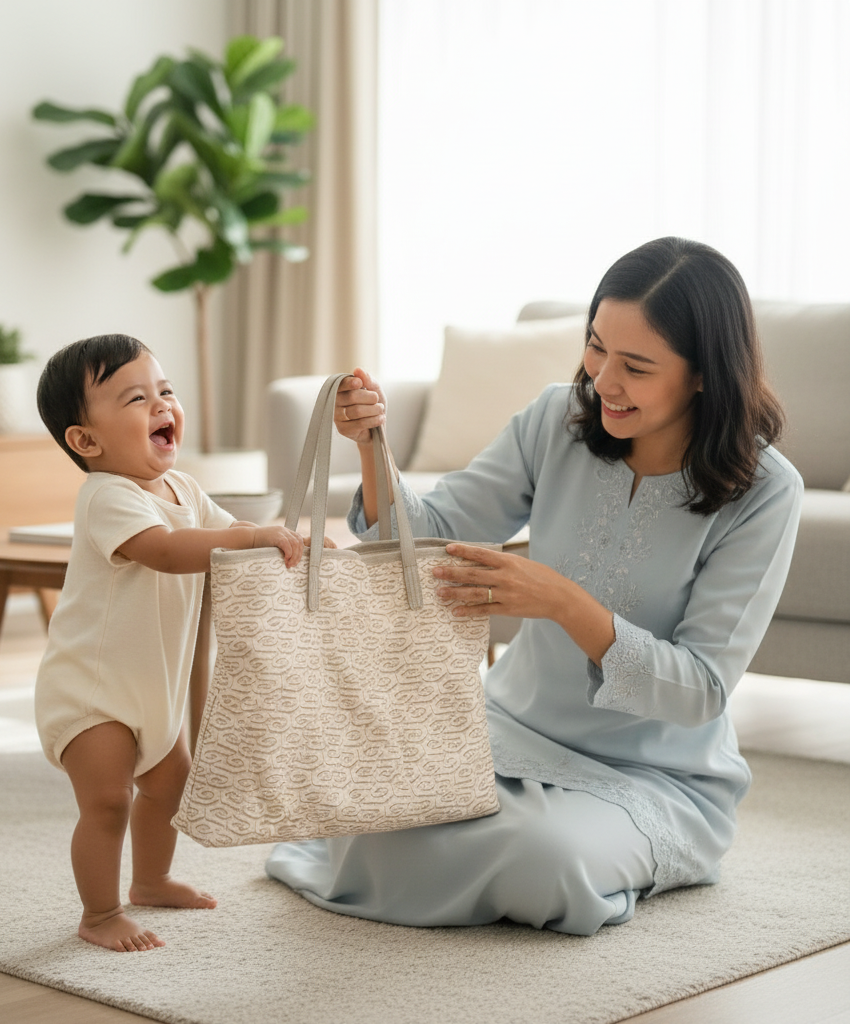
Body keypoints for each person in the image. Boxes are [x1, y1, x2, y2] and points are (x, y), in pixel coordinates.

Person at [265, 237, 804, 936]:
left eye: (636, 366)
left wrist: (563, 603)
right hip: (507, 727)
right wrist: (372, 445)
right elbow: (425, 534)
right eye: (596, 346)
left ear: (704, 375)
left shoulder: (766, 493)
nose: (604, 379)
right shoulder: (556, 420)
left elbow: (700, 690)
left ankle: (608, 854)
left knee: (545, 860)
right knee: (367, 811)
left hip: (656, 774)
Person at [35, 334, 310, 952]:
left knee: (169, 785)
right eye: (136, 398)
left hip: (155, 686)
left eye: (165, 390)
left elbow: (226, 529)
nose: (162, 405)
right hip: (92, 691)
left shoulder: (183, 488)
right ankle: (99, 913)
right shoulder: (107, 497)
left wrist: (273, 538)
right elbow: (165, 551)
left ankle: (152, 879)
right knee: (107, 802)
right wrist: (242, 541)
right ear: (86, 441)